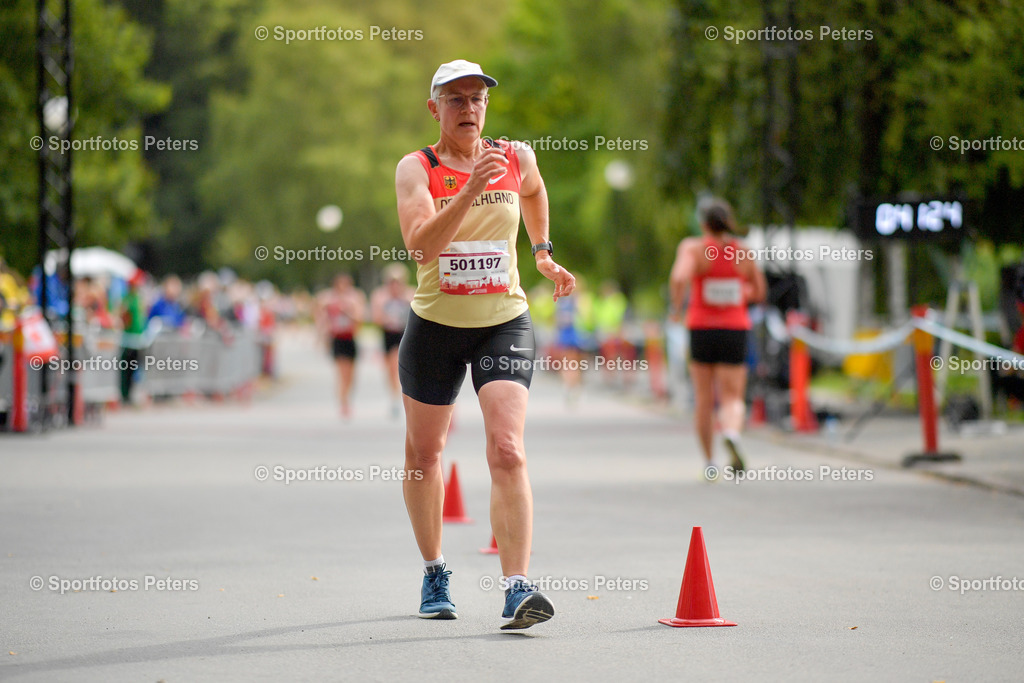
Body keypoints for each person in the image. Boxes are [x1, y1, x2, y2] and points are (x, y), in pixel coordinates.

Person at [394, 59, 575, 629]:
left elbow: (536, 190)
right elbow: (422, 248)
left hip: (503, 319)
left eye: (476, 99)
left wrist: (542, 251)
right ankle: (434, 570)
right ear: (435, 109)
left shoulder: (515, 157)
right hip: (436, 324)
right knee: (425, 453)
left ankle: (517, 587)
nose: (468, 109)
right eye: (455, 100)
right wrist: (471, 187)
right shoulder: (415, 169)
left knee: (508, 447)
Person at [669, 197, 766, 479]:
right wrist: (742, 292)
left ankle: (710, 463)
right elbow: (759, 291)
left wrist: (676, 308)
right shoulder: (743, 252)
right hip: (735, 328)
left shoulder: (693, 248)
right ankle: (732, 433)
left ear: (703, 224)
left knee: (703, 398)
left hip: (701, 328)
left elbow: (678, 277)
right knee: (732, 395)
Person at [316, 273, 366, 418]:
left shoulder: (355, 298)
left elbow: (360, 320)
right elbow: (320, 314)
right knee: (342, 372)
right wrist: (321, 335)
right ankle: (343, 402)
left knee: (351, 375)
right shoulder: (329, 299)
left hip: (350, 338)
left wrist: (348, 311)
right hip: (337, 338)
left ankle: (346, 397)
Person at [370, 264, 414, 418]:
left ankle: (406, 395)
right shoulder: (380, 296)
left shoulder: (410, 294)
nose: (395, 285)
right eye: (392, 282)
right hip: (388, 334)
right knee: (391, 367)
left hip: (405, 333)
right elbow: (376, 318)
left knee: (404, 366)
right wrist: (389, 319)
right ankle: (395, 396)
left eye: (398, 282)